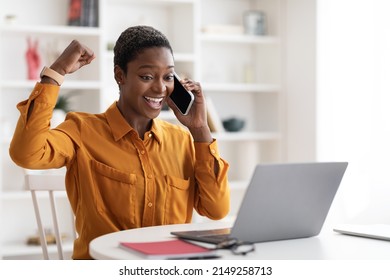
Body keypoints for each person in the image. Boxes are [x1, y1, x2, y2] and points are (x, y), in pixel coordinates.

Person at [9, 25, 230, 259]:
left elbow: (216, 210)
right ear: (119, 75)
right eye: (147, 76)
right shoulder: (82, 131)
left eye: (167, 77)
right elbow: (26, 153)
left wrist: (200, 129)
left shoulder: (183, 140)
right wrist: (56, 72)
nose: (160, 88)